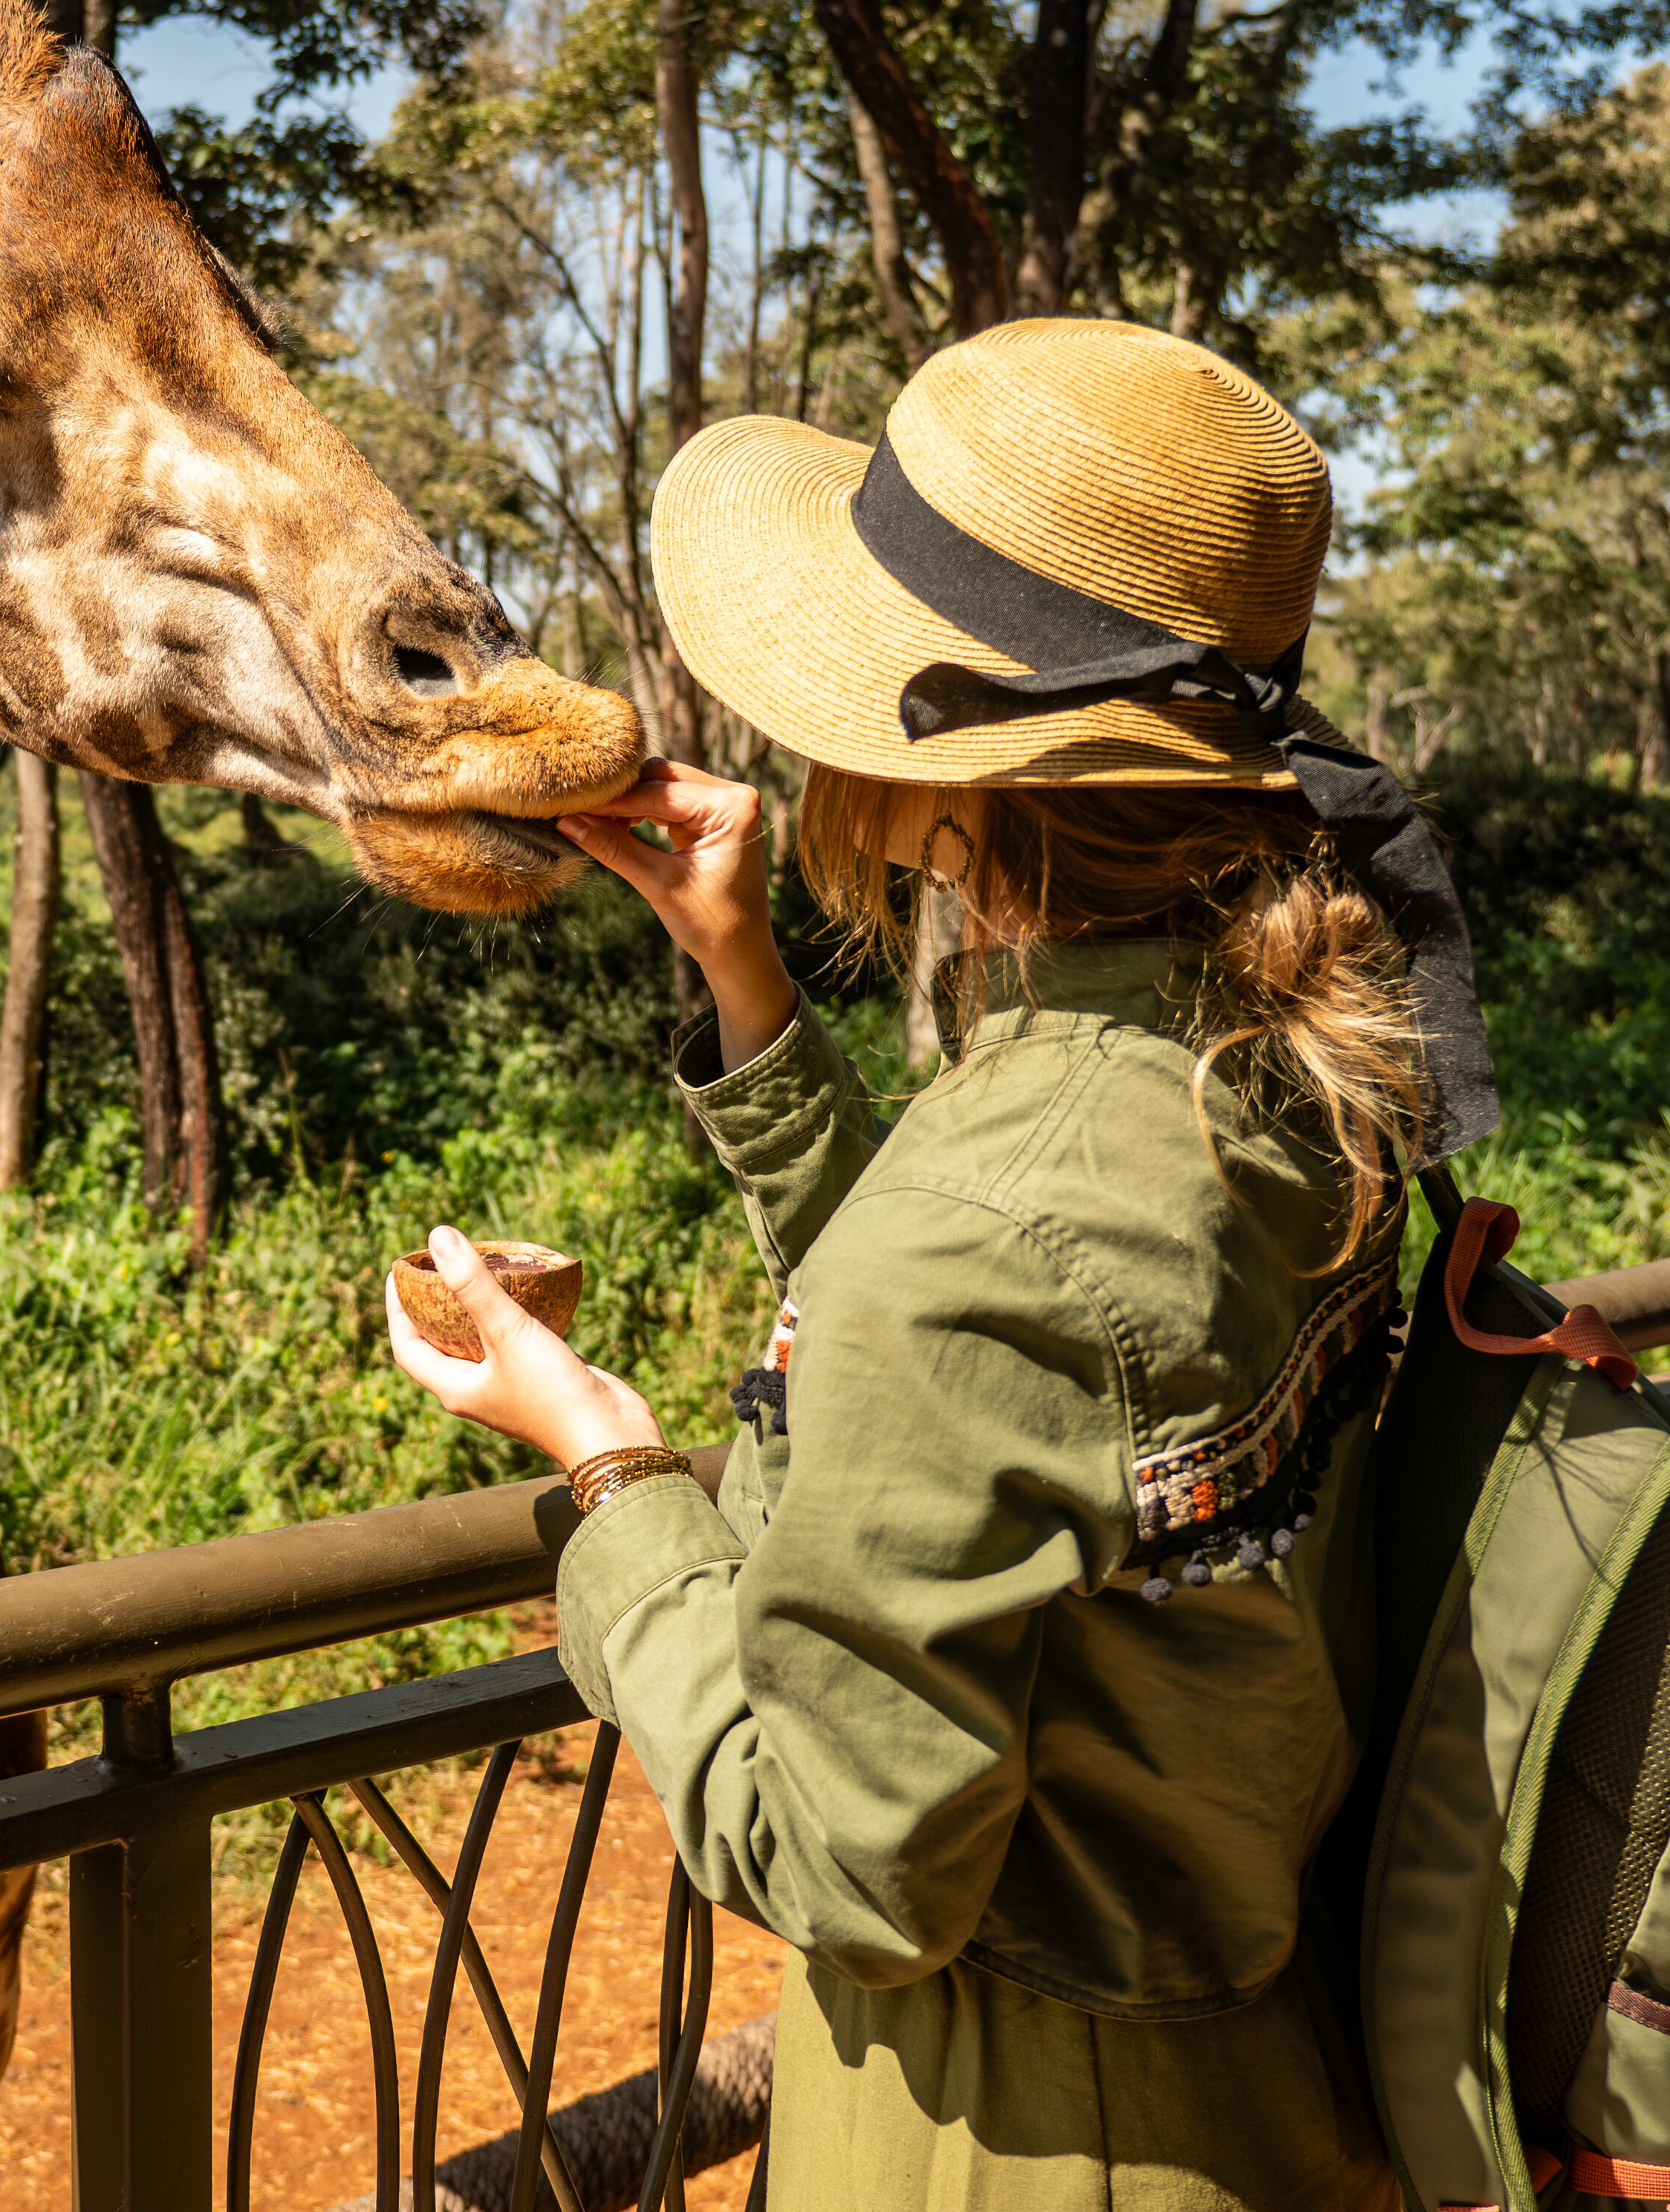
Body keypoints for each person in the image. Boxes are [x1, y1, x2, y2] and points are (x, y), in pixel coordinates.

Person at [389, 318, 1500, 2211]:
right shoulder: (1297, 1062)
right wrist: (743, 978)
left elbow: (836, 1855)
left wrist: (611, 1470)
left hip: (1012, 2127)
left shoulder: (998, 1206)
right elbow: (1021, 1390)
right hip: (1278, 2056)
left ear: (964, 774)